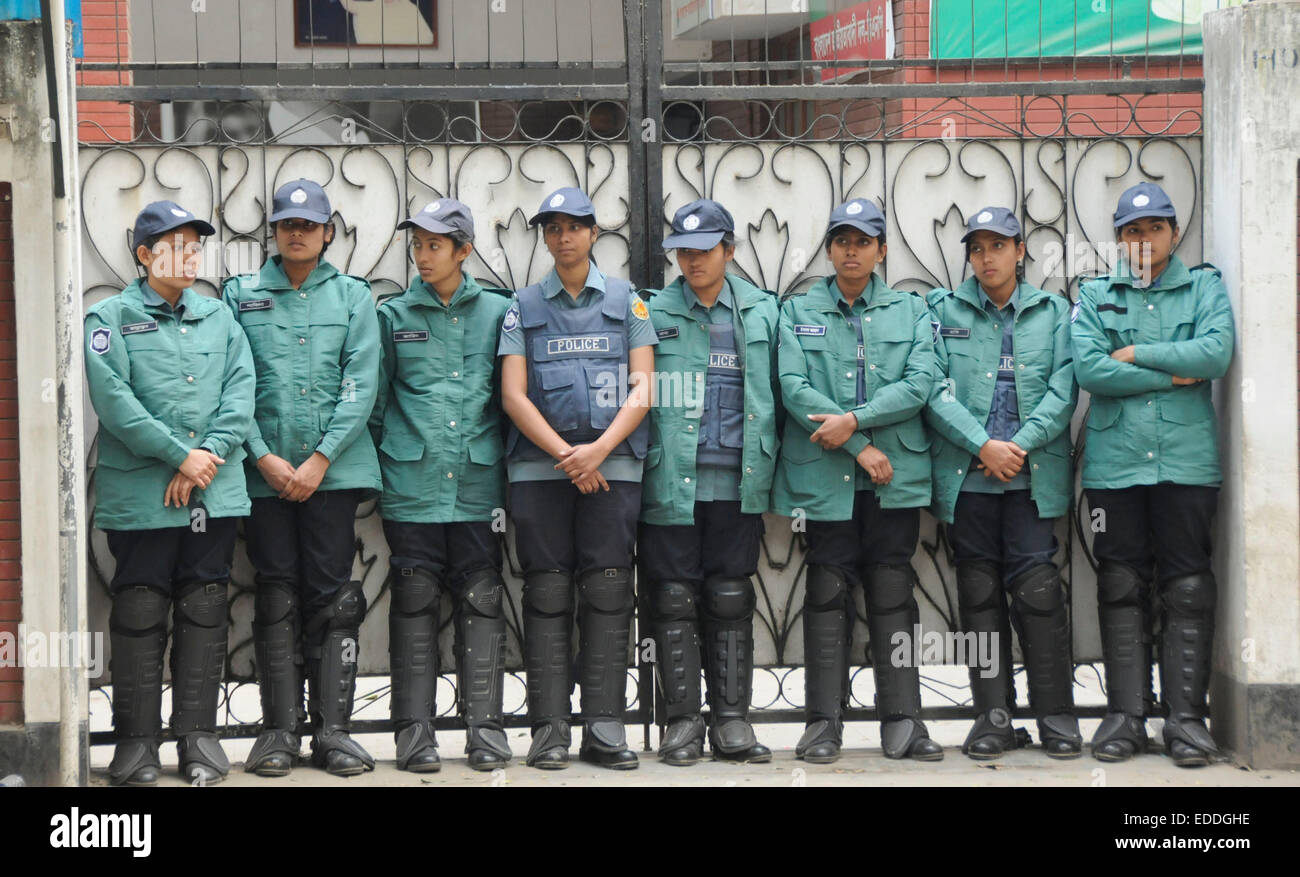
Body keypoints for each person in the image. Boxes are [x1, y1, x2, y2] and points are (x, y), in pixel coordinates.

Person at [86, 201, 255, 785]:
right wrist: (178, 455)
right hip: (142, 498)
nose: (188, 257)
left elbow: (241, 392)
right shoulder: (107, 319)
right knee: (138, 610)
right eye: (174, 245)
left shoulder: (221, 319)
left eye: (194, 246)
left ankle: (198, 739)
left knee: (205, 610)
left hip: (213, 492)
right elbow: (114, 401)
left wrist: (204, 455)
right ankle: (136, 745)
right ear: (144, 254)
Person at [773, 198, 943, 763]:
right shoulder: (796, 310)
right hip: (826, 479)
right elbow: (794, 388)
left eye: (863, 240)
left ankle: (904, 721)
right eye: (842, 240)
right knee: (826, 593)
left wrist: (855, 421)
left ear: (881, 250)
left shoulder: (911, 311)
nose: (852, 250)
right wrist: (858, 445)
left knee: (893, 592)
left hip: (894, 478)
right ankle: (823, 723)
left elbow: (920, 384)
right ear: (829, 249)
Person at [222, 179, 382, 777]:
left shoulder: (352, 298)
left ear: (327, 232)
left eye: (307, 224)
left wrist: (320, 458)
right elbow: (232, 383)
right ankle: (278, 734)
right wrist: (262, 454)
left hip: (330, 477)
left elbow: (360, 383)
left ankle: (333, 733)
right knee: (275, 593)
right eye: (287, 223)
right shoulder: (241, 296)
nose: (296, 232)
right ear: (273, 231)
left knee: (333, 598)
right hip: (263, 475)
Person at [1071, 182, 1234, 767]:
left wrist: (1137, 354)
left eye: (1154, 229)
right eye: (1131, 231)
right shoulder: (1094, 295)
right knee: (1120, 583)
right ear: (1119, 238)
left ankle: (1186, 721)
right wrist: (1173, 371)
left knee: (1187, 584)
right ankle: (1125, 717)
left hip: (1186, 463)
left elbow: (1215, 354)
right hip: (1116, 468)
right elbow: (1090, 370)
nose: (1143, 240)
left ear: (1173, 232)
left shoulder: (1205, 287)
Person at [498, 186, 656, 770]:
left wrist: (600, 452)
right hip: (541, 470)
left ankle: (605, 727)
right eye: (552, 228)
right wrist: (570, 454)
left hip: (612, 469)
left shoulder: (627, 302)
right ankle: (550, 729)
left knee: (610, 591)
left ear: (594, 234)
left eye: (574, 227)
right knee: (547, 591)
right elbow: (513, 395)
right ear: (545, 237)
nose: (563, 237)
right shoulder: (522, 306)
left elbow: (644, 388)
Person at [925, 206, 1083, 760]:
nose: (987, 257)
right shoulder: (942, 311)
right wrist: (982, 446)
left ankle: (1056, 716)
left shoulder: (1053, 312)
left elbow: (1065, 389)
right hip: (968, 481)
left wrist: (1018, 445)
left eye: (998, 245)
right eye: (977, 248)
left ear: (1021, 251)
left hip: (1030, 480)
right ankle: (992, 717)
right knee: (979, 595)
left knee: (1039, 594)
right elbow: (933, 388)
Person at [369, 199, 514, 772]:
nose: (422, 256)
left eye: (434, 245)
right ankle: (414, 733)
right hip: (412, 482)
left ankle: (486, 732)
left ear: (464, 250)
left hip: (478, 484)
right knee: (414, 600)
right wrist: (396, 453)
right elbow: (377, 403)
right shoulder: (393, 316)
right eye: (418, 245)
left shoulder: (500, 313)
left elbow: (508, 400)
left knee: (481, 599)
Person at [638, 199, 779, 765]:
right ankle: (680, 723)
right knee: (671, 599)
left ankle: (731, 721)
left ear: (730, 250)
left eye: (703, 251)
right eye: (683, 253)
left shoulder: (763, 312)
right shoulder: (648, 310)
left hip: (739, 482)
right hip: (671, 482)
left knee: (730, 597)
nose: (692, 262)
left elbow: (784, 393)